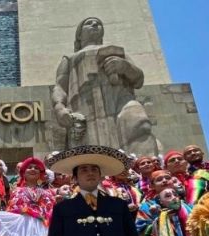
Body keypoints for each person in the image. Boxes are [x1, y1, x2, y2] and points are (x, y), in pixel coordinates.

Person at [52, 17, 161, 155]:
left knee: (140, 123)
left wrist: (124, 67)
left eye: (98, 23)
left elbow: (139, 80)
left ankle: (147, 171)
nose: (95, 24)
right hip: (85, 107)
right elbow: (60, 87)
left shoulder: (117, 52)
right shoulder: (69, 58)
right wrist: (59, 107)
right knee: (93, 152)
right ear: (79, 35)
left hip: (121, 101)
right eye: (89, 23)